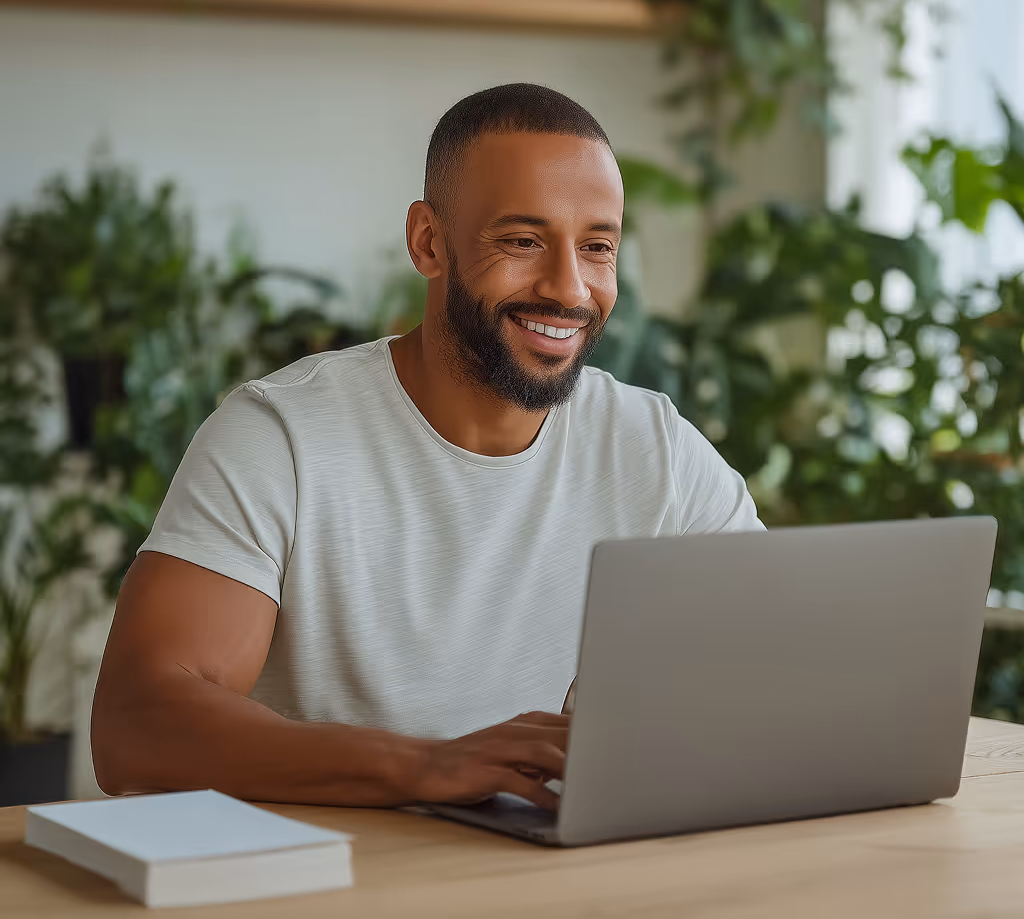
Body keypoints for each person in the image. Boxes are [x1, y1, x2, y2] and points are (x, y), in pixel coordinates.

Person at [91, 83, 762, 813]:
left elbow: (783, 672)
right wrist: (425, 768)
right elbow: (135, 726)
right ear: (428, 242)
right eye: (522, 241)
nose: (570, 288)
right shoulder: (282, 438)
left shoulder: (656, 450)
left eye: (597, 248)